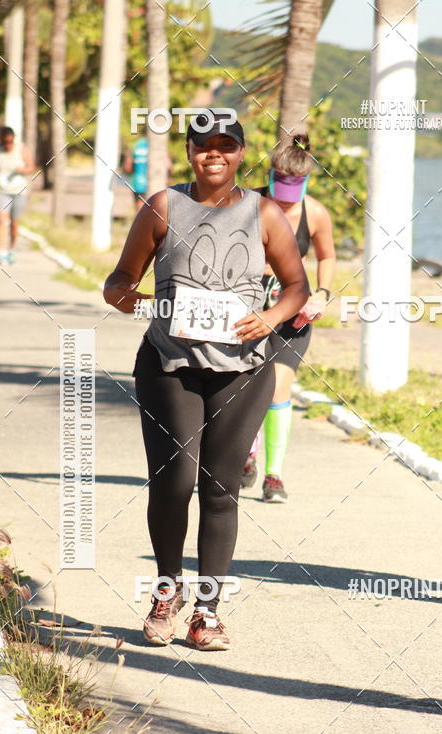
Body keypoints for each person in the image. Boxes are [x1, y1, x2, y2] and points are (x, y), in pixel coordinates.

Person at [104, 111, 309, 650]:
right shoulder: (163, 206)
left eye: (225, 145)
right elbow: (119, 280)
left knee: (219, 490)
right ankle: (166, 595)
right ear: (190, 151)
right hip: (170, 364)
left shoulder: (264, 212)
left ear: (241, 154)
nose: (213, 154)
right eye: (203, 145)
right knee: (173, 483)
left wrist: (270, 319)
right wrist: (130, 296)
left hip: (242, 369)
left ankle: (208, 612)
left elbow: (296, 287)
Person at [241, 134, 336, 502]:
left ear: (306, 181)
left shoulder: (315, 212)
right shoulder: (248, 202)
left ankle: (274, 476)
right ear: (270, 174)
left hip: (292, 309)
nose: (284, 195)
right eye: (280, 183)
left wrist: (323, 294)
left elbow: (326, 257)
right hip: (249, 305)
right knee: (247, 387)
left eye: (293, 186)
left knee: (279, 388)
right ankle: (245, 456)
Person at [0, 126, 34, 265]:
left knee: (14, 223)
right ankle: (2, 252)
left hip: (19, 190)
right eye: (5, 142)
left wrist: (22, 170)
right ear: (1, 140)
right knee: (2, 219)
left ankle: (11, 250)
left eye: (10, 142)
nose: (8, 144)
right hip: (1, 190)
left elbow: (31, 167)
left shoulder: (22, 150)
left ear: (13, 139)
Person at [123, 135, 149, 212]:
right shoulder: (157, 144)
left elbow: (127, 168)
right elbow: (168, 165)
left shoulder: (135, 145)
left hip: (138, 184)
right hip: (155, 183)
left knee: (140, 213)